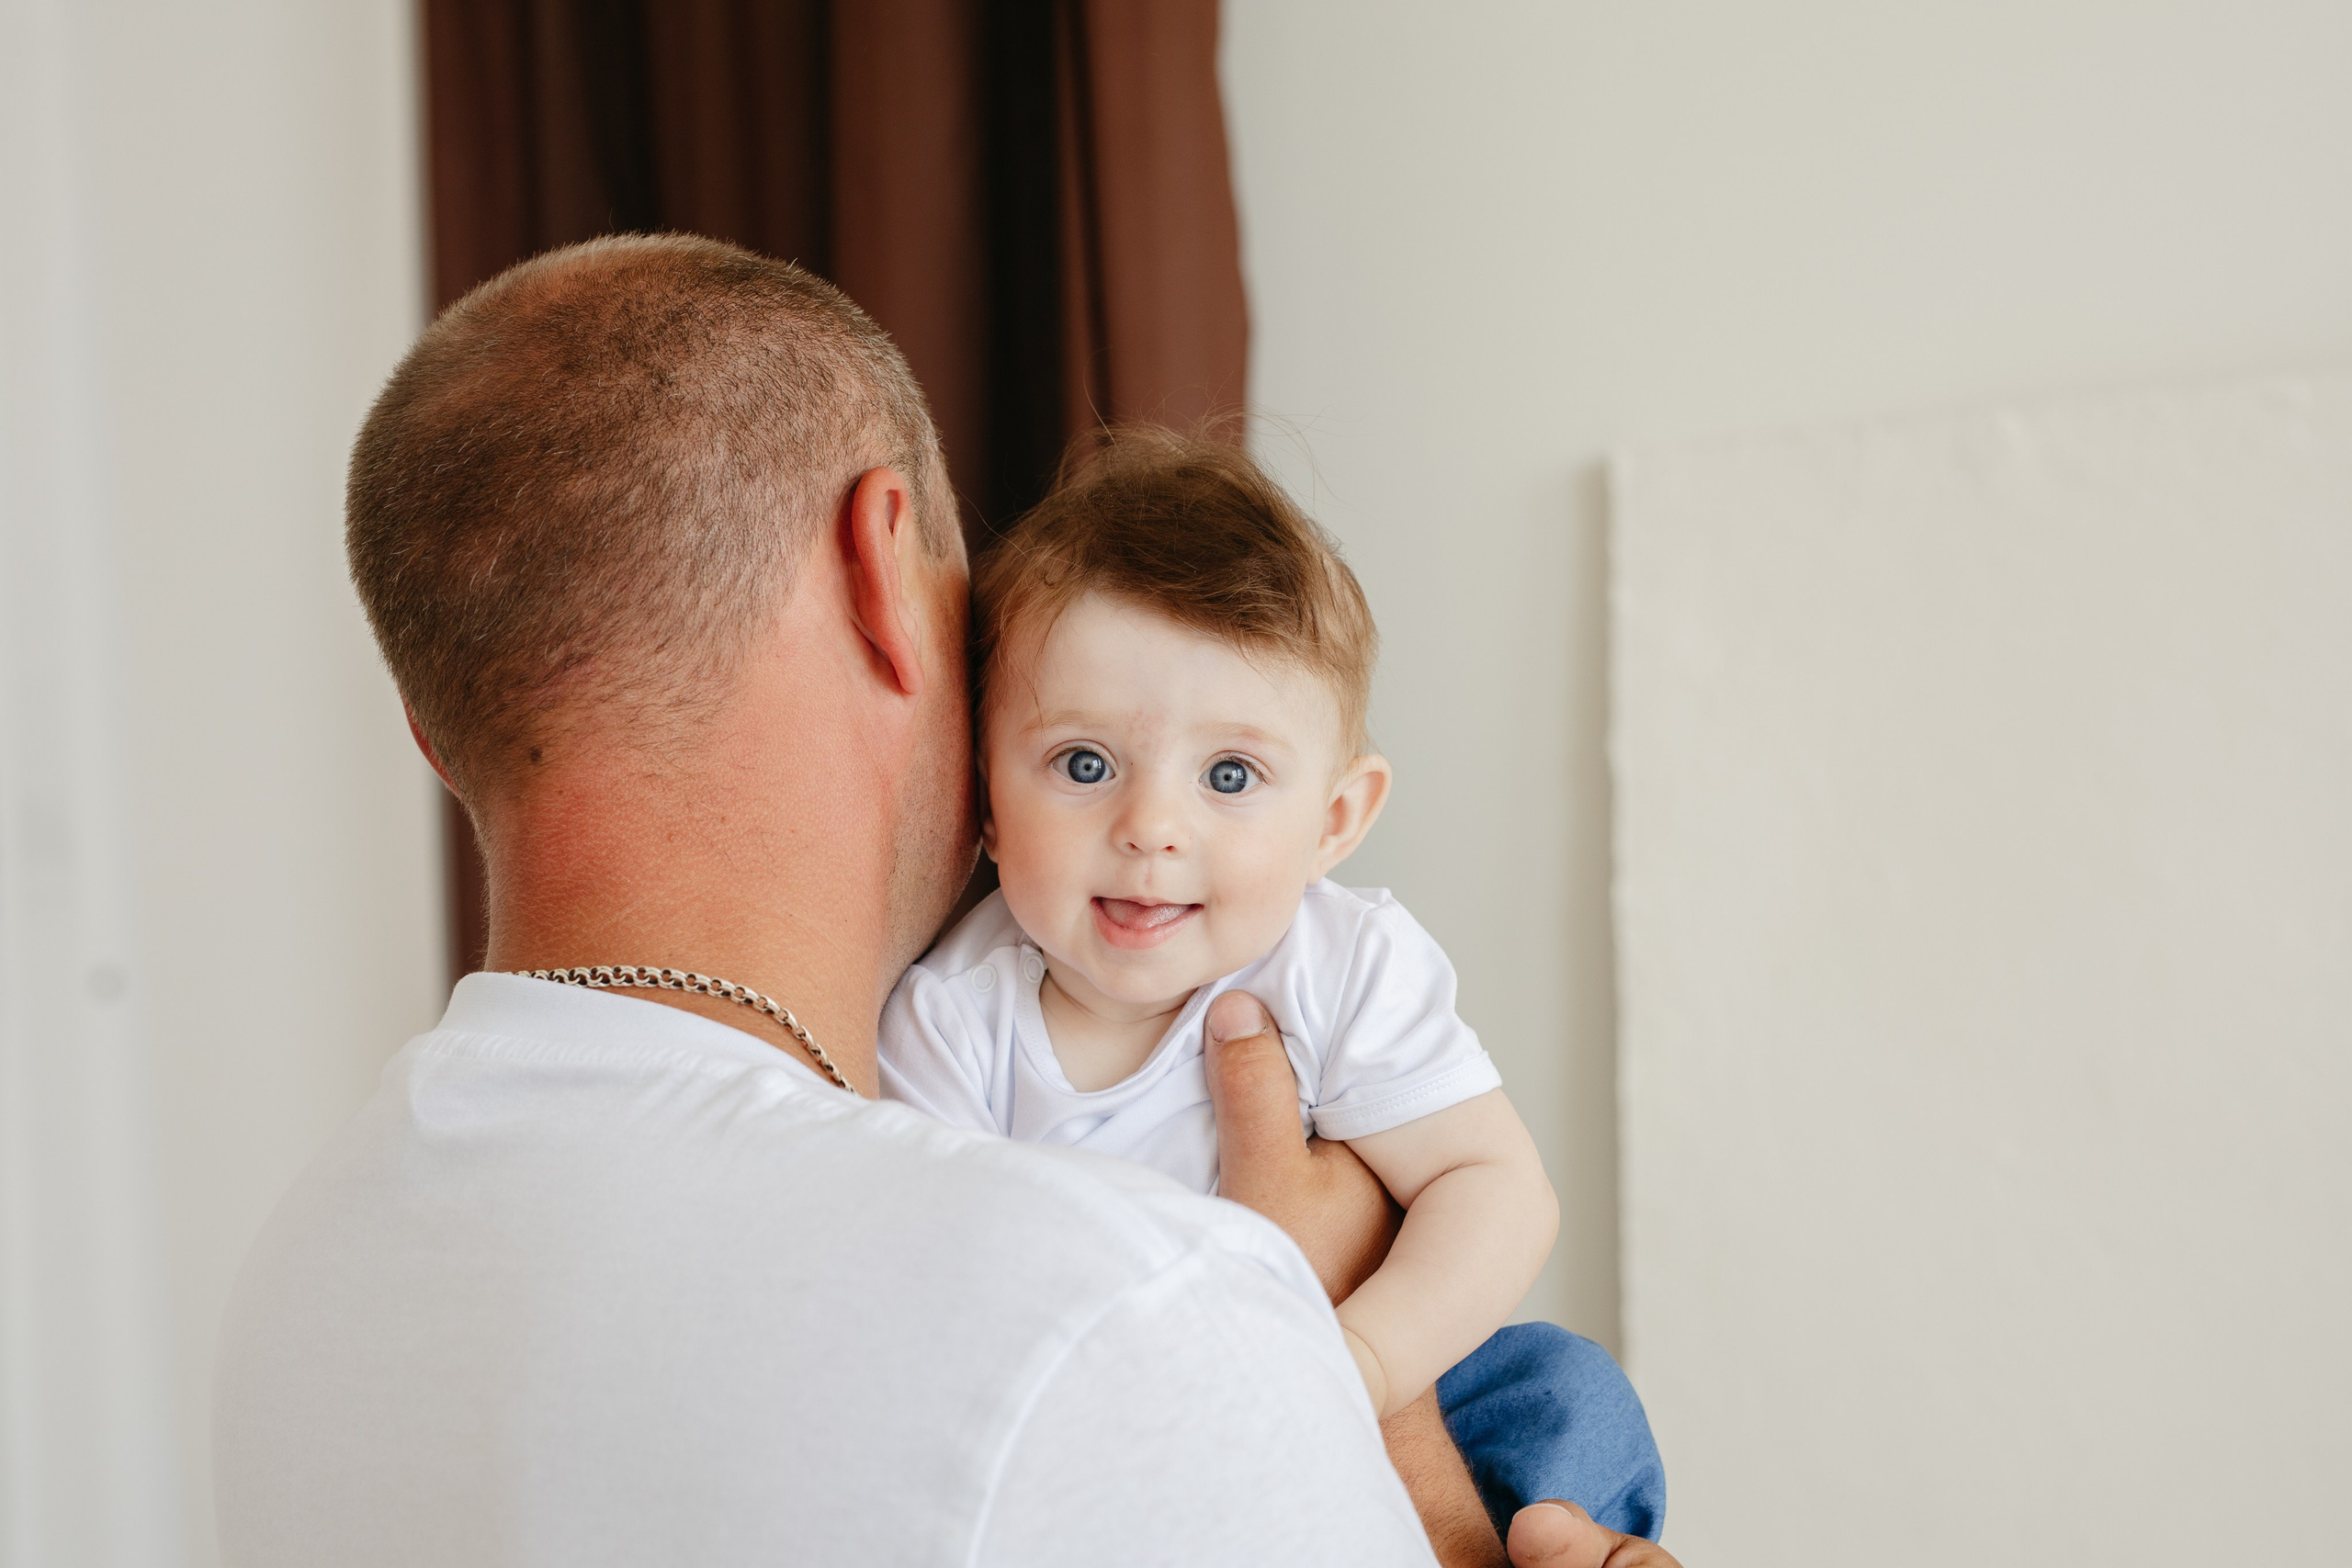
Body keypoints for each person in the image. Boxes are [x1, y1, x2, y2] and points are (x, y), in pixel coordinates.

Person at [211, 232, 1683, 1568]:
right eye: (1085, 755)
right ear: (879, 562)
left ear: (434, 728)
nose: (1149, 828)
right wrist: (1385, 1398)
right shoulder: (1113, 1308)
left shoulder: (297, 1288)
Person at [879, 430, 1665, 1541]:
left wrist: (1354, 1364)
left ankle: (1552, 1548)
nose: (1151, 827)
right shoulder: (951, 1024)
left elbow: (1495, 1189)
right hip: (1121, 1423)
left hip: (1369, 1372)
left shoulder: (1341, 963)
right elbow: (945, 1303)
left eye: (1230, 775)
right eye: (1084, 763)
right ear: (985, 798)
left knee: (1564, 1390)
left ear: (1334, 821)